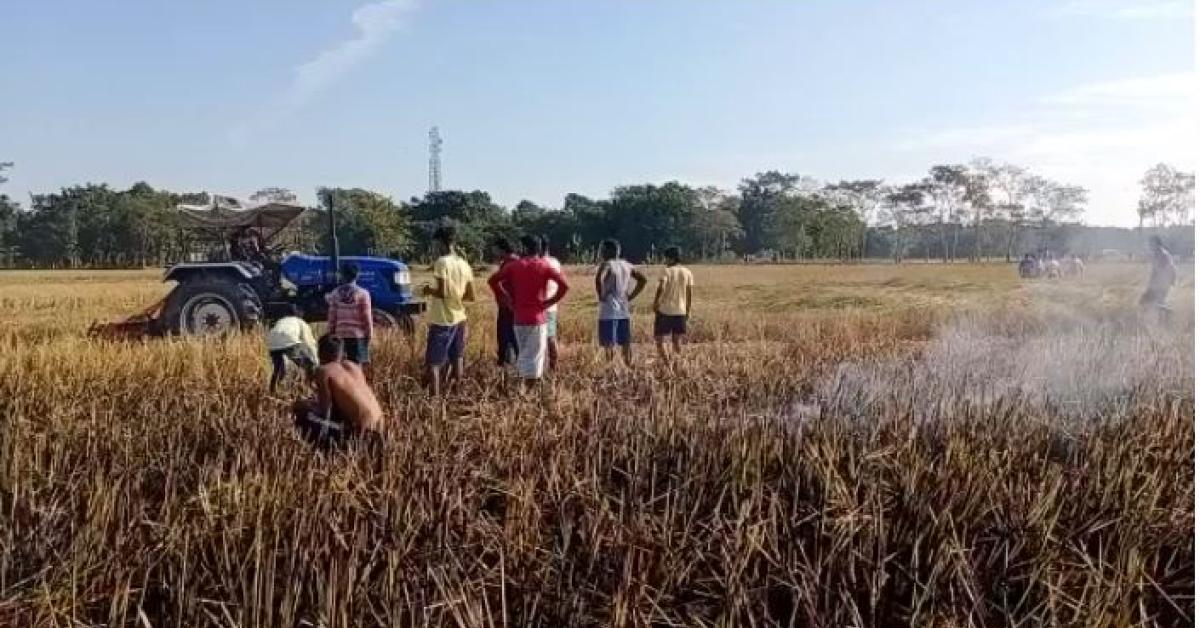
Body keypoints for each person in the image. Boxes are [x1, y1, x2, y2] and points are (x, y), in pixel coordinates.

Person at [488, 235, 570, 385]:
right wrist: (550, 302)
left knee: (524, 354)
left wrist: (506, 299)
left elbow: (492, 281)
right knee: (535, 358)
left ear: (525, 248)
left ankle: (521, 387)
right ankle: (530, 391)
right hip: (537, 318)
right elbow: (564, 285)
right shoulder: (544, 265)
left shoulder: (514, 266)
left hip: (518, 318)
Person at [293, 334, 383, 451]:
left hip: (361, 435)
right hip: (379, 432)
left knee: (302, 412)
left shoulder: (323, 370)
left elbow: (326, 412)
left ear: (320, 353)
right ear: (341, 353)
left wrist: (304, 405)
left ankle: (324, 451)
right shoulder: (354, 367)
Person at [422, 225, 475, 396]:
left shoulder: (441, 262)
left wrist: (427, 290)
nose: (434, 248)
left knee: (434, 364)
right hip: (459, 318)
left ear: (440, 243)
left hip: (442, 319)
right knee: (457, 358)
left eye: (435, 244)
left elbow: (442, 293)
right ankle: (458, 394)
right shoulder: (464, 264)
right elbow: (470, 296)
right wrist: (456, 295)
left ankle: (435, 401)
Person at [594, 239, 646, 366]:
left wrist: (601, 295)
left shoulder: (607, 264)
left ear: (607, 251)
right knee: (626, 342)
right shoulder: (627, 265)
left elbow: (599, 278)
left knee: (609, 343)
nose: (601, 253)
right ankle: (629, 366)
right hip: (623, 308)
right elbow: (643, 280)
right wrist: (631, 296)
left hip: (609, 310)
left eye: (602, 250)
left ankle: (610, 368)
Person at [652, 246, 694, 365]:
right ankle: (679, 363)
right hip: (680, 311)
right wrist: (688, 310)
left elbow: (662, 287)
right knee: (676, 341)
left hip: (665, 310)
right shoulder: (687, 272)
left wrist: (656, 302)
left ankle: (668, 364)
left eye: (666, 258)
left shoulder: (666, 271)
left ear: (670, 258)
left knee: (660, 340)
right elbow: (689, 294)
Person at [326, 263, 373, 365]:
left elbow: (332, 316)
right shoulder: (363, 294)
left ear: (342, 276)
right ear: (357, 275)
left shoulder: (335, 293)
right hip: (357, 335)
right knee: (356, 366)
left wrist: (331, 333)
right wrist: (369, 333)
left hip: (340, 335)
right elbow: (366, 316)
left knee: (340, 364)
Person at [266, 304, 317, 394]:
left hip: (272, 344)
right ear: (299, 314)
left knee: (278, 369)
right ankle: (310, 387)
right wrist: (315, 360)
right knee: (308, 366)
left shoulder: (281, 321)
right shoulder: (300, 322)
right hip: (289, 342)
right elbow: (309, 343)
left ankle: (272, 391)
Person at [489, 238, 520, 367]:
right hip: (511, 307)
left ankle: (508, 367)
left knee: (507, 339)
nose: (493, 251)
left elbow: (495, 282)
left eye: (495, 249)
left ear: (502, 248)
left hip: (508, 309)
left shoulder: (511, 263)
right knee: (511, 339)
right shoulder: (510, 262)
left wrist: (506, 298)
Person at [539, 234, 564, 371]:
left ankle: (548, 368)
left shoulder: (542, 263)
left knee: (546, 340)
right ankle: (553, 367)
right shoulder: (555, 261)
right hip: (552, 305)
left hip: (543, 306)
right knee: (551, 337)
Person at [1139, 235, 1177, 324]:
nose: (1150, 245)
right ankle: (1164, 319)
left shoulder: (1162, 255)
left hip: (1161, 284)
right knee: (1154, 303)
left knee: (1147, 302)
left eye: (1151, 243)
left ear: (1157, 244)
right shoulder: (1158, 254)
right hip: (1159, 284)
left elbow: (1164, 270)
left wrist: (1155, 283)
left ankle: (1168, 314)